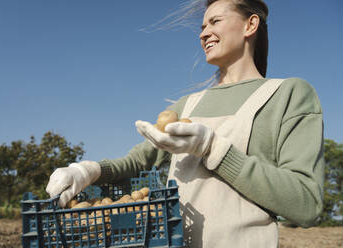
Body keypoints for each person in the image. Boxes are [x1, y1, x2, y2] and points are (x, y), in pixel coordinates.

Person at [46, 0, 325, 247]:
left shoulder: (288, 94)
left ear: (250, 24)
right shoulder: (186, 106)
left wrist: (213, 149)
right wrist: (88, 171)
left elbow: (306, 203)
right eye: (202, 26)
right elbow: (138, 162)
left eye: (215, 21)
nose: (203, 33)